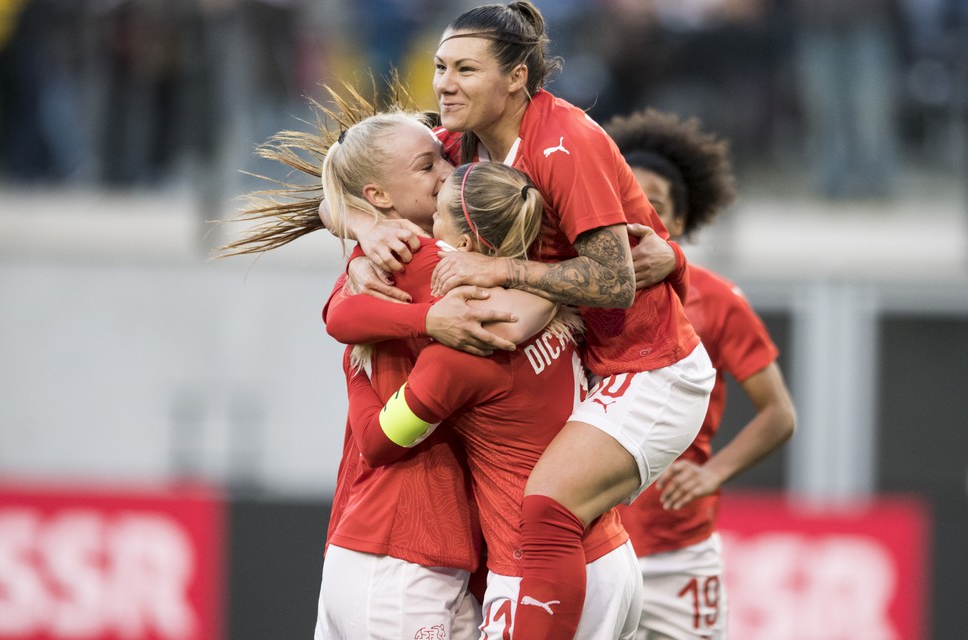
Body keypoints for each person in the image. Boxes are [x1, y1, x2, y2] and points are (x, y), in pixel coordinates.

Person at [331, 4, 716, 637]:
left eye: (465, 69)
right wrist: (364, 226)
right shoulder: (458, 143)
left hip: (653, 371)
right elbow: (342, 176)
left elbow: (615, 281)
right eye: (440, 66)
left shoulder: (569, 141)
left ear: (517, 78)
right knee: (546, 515)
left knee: (544, 508)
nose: (445, 83)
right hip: (593, 370)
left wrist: (505, 274)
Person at [217, 89, 551, 639]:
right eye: (429, 165)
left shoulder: (394, 253)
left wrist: (355, 229)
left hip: (390, 547)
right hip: (402, 550)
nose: (450, 170)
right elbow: (346, 333)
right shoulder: (425, 263)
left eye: (445, 158)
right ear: (378, 194)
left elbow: (340, 313)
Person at [345, 160, 642, 639]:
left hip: (537, 576)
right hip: (613, 560)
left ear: (462, 245)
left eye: (437, 216)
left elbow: (376, 443)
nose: (427, 227)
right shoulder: (549, 297)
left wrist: (356, 372)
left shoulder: (466, 346)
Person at [604, 108, 797, 639]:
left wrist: (713, 474)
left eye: (655, 205)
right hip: (589, 543)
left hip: (675, 554)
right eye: (625, 200)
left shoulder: (716, 301)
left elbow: (779, 414)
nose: (636, 215)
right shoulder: (572, 291)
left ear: (680, 224)